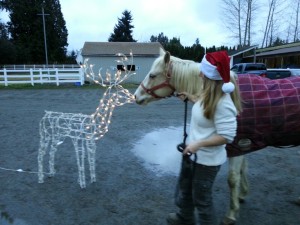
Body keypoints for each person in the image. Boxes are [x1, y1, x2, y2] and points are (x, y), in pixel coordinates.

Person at [167, 51, 242, 225]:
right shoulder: (207, 94)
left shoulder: (224, 103)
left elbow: (227, 136)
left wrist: (198, 144)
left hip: (207, 162)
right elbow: (205, 109)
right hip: (194, 155)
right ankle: (185, 217)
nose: (199, 73)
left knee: (202, 200)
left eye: (203, 71)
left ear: (209, 76)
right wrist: (190, 97)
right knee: (186, 190)